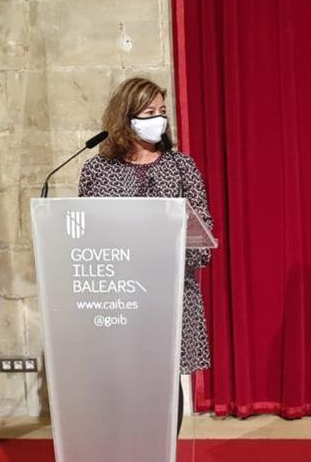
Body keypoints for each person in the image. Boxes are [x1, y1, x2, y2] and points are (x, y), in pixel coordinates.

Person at [78, 77, 213, 435]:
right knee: (123, 383)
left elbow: (204, 232)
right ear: (126, 116)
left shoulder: (181, 166)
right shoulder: (97, 170)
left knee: (167, 383)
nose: (159, 119)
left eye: (162, 111)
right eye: (149, 111)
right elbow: (83, 233)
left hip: (169, 293)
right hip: (117, 297)